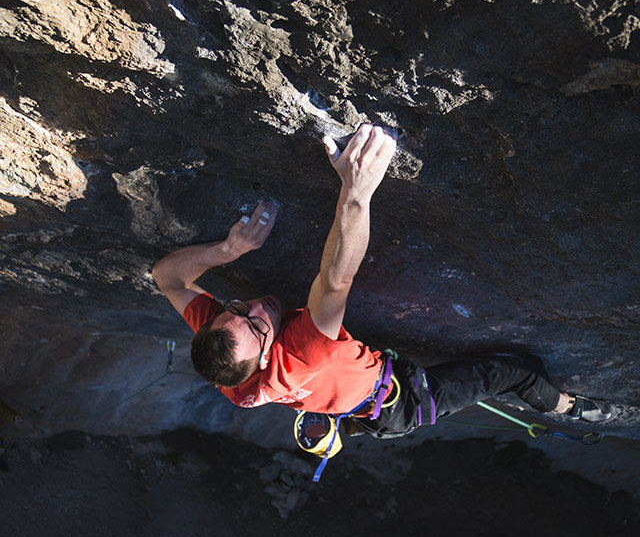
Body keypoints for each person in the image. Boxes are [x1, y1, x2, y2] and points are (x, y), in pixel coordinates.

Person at [152, 124, 613, 445]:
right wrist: (358, 189)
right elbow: (336, 279)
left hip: (362, 401)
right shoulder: (301, 354)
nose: (255, 308)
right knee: (516, 370)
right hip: (403, 403)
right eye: (257, 326)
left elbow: (166, 278)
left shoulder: (226, 356)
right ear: (267, 356)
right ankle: (569, 408)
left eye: (236, 308)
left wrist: (226, 253)